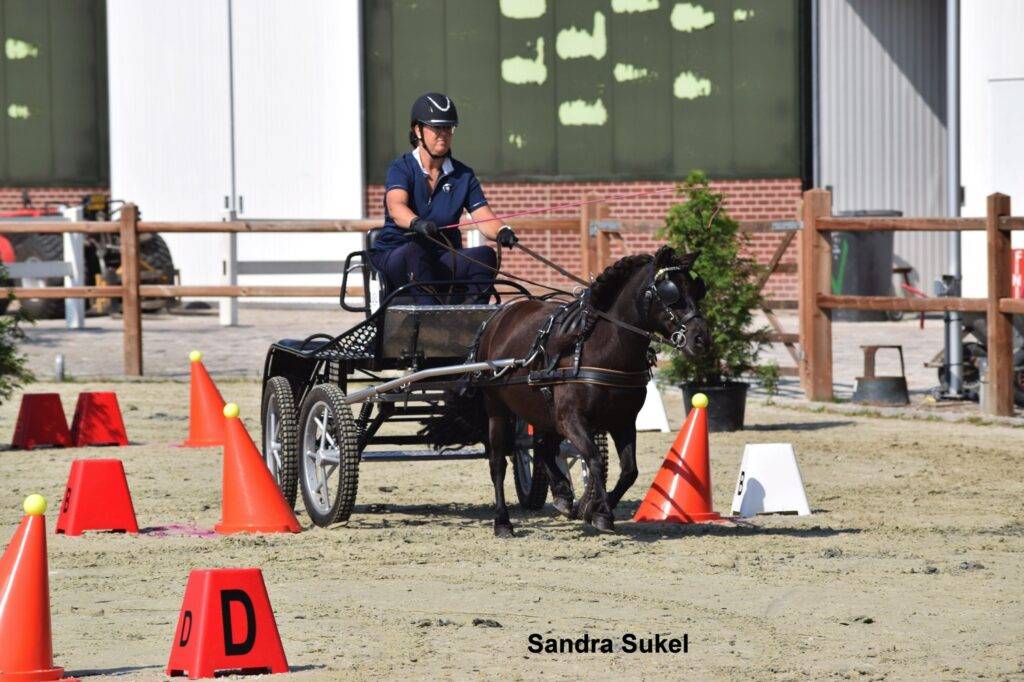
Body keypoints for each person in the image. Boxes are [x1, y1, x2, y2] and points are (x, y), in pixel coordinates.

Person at [369, 92, 518, 304]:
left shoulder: (463, 175)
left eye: (449, 128)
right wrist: (417, 223)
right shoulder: (401, 167)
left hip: (440, 258)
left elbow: (485, 218)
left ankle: (473, 319)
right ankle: (434, 320)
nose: (444, 134)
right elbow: (396, 208)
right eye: (437, 127)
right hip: (396, 256)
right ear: (418, 130)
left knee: (485, 256)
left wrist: (502, 231)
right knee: (415, 252)